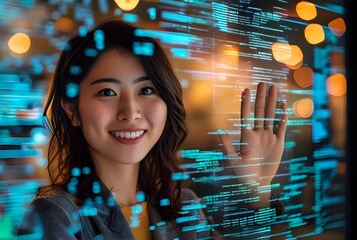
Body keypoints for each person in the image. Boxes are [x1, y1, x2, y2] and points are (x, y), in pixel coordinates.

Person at [16, 18, 288, 239]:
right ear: (72, 109)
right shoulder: (54, 217)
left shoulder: (186, 208)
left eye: (146, 90)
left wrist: (255, 195)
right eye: (107, 92)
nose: (130, 112)